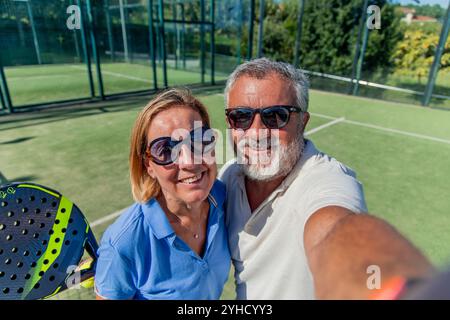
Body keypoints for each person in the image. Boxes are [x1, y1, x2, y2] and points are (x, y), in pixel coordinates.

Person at [219, 58, 434, 299]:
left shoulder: (328, 180)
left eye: (275, 116)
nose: (256, 132)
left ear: (302, 122)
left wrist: (401, 289)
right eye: (241, 117)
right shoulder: (229, 175)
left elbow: (333, 229)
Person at [94, 88, 231, 299]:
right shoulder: (124, 243)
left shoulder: (223, 197)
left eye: (199, 139)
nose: (189, 161)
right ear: (148, 165)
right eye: (165, 150)